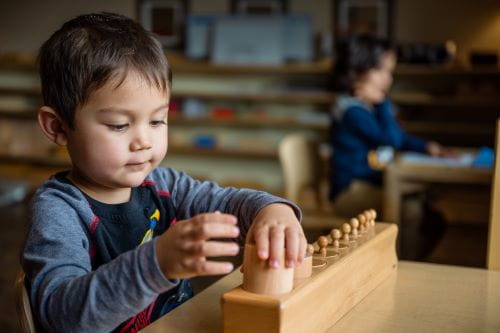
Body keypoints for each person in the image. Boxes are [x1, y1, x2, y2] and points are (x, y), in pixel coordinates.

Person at [22, 12, 306, 332]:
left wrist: (271, 210)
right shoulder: (59, 210)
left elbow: (230, 203)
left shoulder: (162, 185)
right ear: (58, 127)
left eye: (157, 120)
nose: (144, 141)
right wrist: (154, 264)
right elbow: (63, 317)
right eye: (119, 125)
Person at [329, 34, 449, 218]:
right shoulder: (352, 111)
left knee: (430, 214)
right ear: (358, 70)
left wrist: (425, 147)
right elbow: (391, 139)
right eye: (380, 70)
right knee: (410, 210)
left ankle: (403, 247)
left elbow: (398, 137)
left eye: (390, 72)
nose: (388, 79)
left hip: (374, 183)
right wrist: (383, 102)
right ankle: (398, 248)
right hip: (351, 191)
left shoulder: (369, 107)